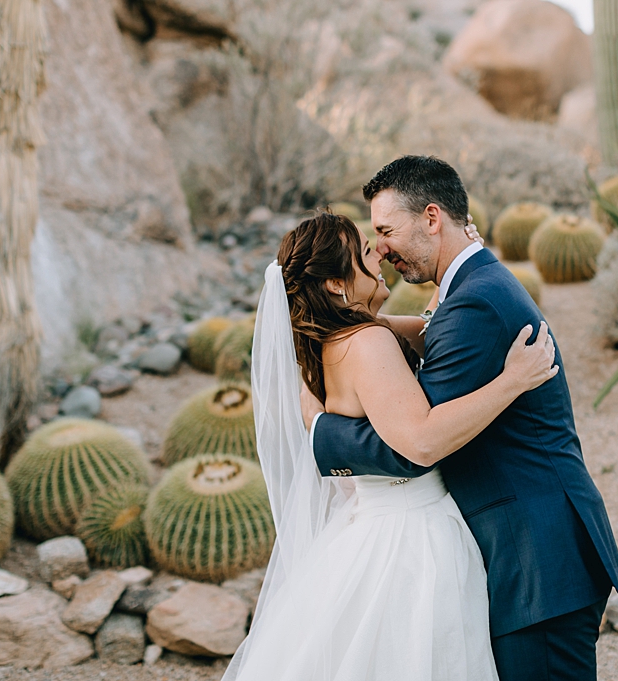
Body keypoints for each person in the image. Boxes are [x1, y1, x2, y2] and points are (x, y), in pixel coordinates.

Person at [221, 206, 561, 680]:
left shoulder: (331, 344)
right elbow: (421, 440)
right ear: (336, 284)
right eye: (364, 251)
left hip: (372, 523)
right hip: (413, 536)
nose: (378, 254)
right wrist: (513, 381)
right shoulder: (367, 342)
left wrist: (453, 263)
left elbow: (424, 330)